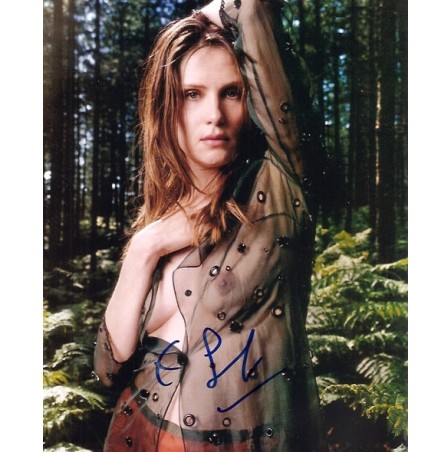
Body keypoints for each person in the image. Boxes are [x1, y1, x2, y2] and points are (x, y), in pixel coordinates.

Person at [94, 0, 328, 450]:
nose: (214, 115)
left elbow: (251, 8)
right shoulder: (159, 220)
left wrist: (204, 18)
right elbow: (108, 366)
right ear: (168, 106)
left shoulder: (279, 187)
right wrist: (145, 247)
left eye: (232, 92)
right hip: (133, 433)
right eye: (192, 94)